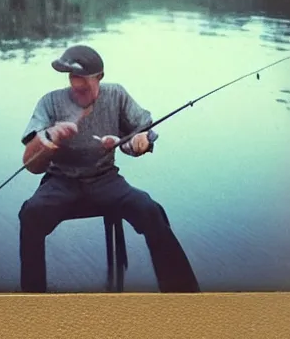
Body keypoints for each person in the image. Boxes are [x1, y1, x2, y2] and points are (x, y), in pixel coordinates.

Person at [19, 44, 200, 293]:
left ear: (99, 77)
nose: (77, 84)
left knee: (150, 210)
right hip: (60, 180)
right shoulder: (50, 102)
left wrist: (143, 141)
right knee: (30, 213)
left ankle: (184, 296)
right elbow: (31, 164)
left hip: (105, 178)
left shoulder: (116, 95)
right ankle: (31, 299)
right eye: (72, 77)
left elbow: (142, 131)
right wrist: (50, 137)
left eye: (83, 78)